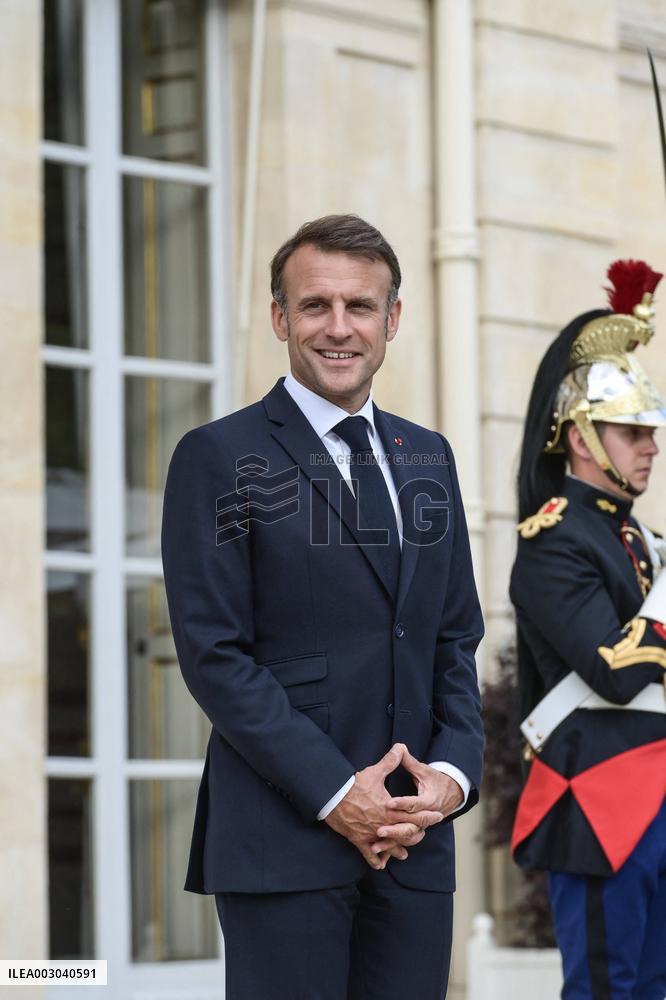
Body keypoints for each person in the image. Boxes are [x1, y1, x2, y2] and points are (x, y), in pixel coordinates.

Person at [161, 214, 484, 1000]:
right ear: (280, 317)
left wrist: (449, 776)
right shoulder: (218, 456)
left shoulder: (427, 456)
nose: (338, 328)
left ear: (393, 319)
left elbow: (453, 639)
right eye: (315, 306)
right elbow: (216, 656)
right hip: (284, 844)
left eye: (361, 307)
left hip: (413, 845)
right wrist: (342, 797)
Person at [510, 259, 666, 999]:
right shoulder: (554, 541)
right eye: (632, 431)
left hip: (657, 792)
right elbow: (618, 670)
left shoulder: (639, 540)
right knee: (612, 988)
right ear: (581, 438)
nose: (650, 447)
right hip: (602, 800)